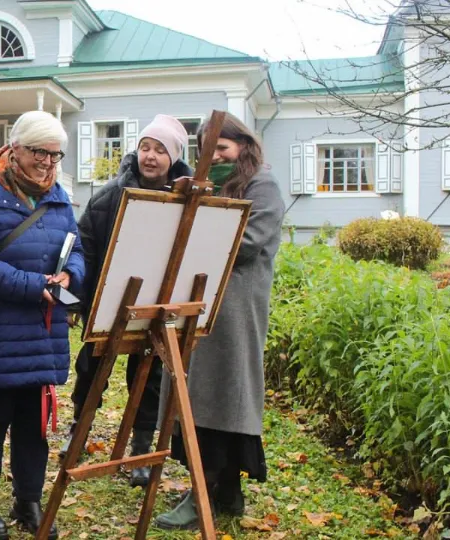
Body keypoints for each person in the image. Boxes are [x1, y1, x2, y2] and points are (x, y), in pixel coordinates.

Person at [0, 110, 84, 540]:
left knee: (34, 423)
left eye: (55, 155)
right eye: (39, 153)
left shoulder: (59, 197)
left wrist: (71, 276)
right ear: (15, 147)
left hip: (43, 331)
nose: (48, 163)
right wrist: (34, 286)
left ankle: (29, 499)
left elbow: (76, 249)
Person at [153, 112, 283, 529]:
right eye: (210, 151)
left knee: (224, 395)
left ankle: (205, 493)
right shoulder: (213, 182)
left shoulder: (263, 185)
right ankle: (226, 492)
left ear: (242, 146)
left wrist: (194, 221)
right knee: (197, 396)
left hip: (234, 309)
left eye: (223, 149)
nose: (218, 158)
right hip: (199, 300)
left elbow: (244, 244)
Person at [64, 115, 193, 486]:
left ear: (174, 157)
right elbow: (85, 250)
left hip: (157, 302)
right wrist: (78, 303)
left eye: (160, 150)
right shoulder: (108, 196)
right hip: (111, 301)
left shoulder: (187, 198)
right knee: (91, 368)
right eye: (145, 147)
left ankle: (139, 449)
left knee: (148, 375)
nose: (150, 156)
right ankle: (79, 430)